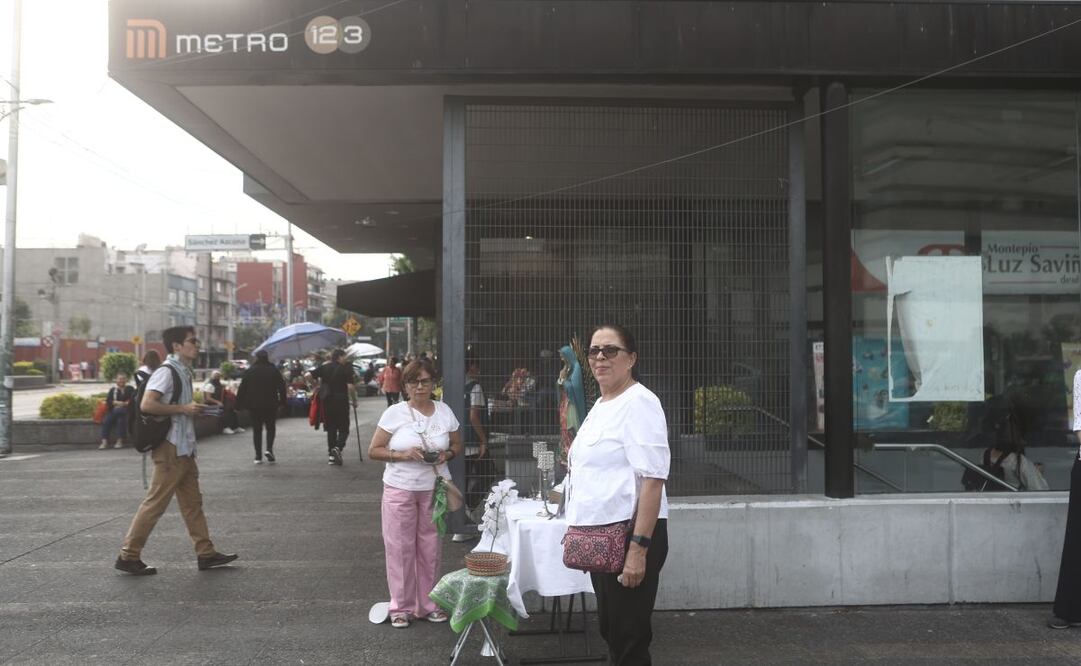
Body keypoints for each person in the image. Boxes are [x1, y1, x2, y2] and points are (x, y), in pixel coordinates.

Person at [564, 324, 670, 665]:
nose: (600, 357)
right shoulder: (601, 404)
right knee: (612, 631)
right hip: (602, 536)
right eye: (594, 351)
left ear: (631, 359)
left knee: (629, 640)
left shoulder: (640, 403)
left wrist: (638, 549)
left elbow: (653, 480)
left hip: (629, 535)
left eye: (611, 350)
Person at [114, 326, 238, 576]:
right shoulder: (166, 372)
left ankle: (206, 553)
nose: (197, 345)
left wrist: (191, 409)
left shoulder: (182, 370)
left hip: (184, 448)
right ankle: (128, 556)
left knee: (193, 504)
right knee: (155, 503)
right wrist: (183, 409)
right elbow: (148, 404)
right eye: (192, 341)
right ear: (177, 346)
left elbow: (176, 407)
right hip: (170, 449)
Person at [368, 359, 461, 628]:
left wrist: (446, 454)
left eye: (425, 381)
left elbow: (456, 444)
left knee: (431, 548)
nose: (419, 386)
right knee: (399, 548)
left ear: (434, 383)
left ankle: (429, 604)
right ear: (405, 385)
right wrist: (403, 455)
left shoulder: (444, 411)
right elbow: (374, 450)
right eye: (413, 381)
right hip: (400, 488)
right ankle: (401, 606)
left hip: (434, 489)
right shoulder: (394, 413)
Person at [457, 357, 491, 539]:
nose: (479, 370)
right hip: (472, 442)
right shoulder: (475, 387)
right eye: (478, 366)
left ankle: (462, 518)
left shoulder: (453, 387)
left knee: (462, 479)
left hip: (456, 440)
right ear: (471, 367)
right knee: (488, 473)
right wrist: (483, 440)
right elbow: (474, 417)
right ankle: (466, 512)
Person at [236, 350, 288, 465]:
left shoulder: (250, 371)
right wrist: (283, 402)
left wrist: (238, 405)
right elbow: (282, 387)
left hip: (254, 405)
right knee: (270, 427)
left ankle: (258, 456)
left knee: (257, 429)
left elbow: (242, 388)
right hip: (271, 404)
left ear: (257, 358)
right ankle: (269, 449)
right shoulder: (273, 370)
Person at [312, 349, 357, 465]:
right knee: (344, 428)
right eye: (344, 356)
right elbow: (351, 387)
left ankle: (331, 457)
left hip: (328, 401)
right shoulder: (346, 368)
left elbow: (308, 375)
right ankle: (338, 447)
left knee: (331, 428)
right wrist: (354, 401)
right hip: (342, 401)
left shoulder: (325, 367)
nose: (346, 359)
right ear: (340, 357)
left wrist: (316, 386)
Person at [99, 373, 135, 449]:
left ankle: (120, 441)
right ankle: (104, 441)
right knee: (107, 421)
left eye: (123, 379)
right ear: (116, 380)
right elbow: (108, 401)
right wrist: (116, 402)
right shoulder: (113, 390)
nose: (121, 380)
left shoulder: (130, 389)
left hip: (126, 410)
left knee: (121, 419)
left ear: (126, 380)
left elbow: (134, 399)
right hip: (114, 411)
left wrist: (125, 403)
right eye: (120, 379)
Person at [203, 370, 244, 435]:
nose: (217, 377)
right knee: (225, 409)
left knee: (231, 409)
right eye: (216, 376)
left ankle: (235, 427)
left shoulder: (219, 384)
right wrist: (218, 402)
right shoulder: (209, 385)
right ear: (212, 376)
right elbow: (208, 398)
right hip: (210, 404)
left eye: (218, 376)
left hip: (219, 402)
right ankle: (225, 427)